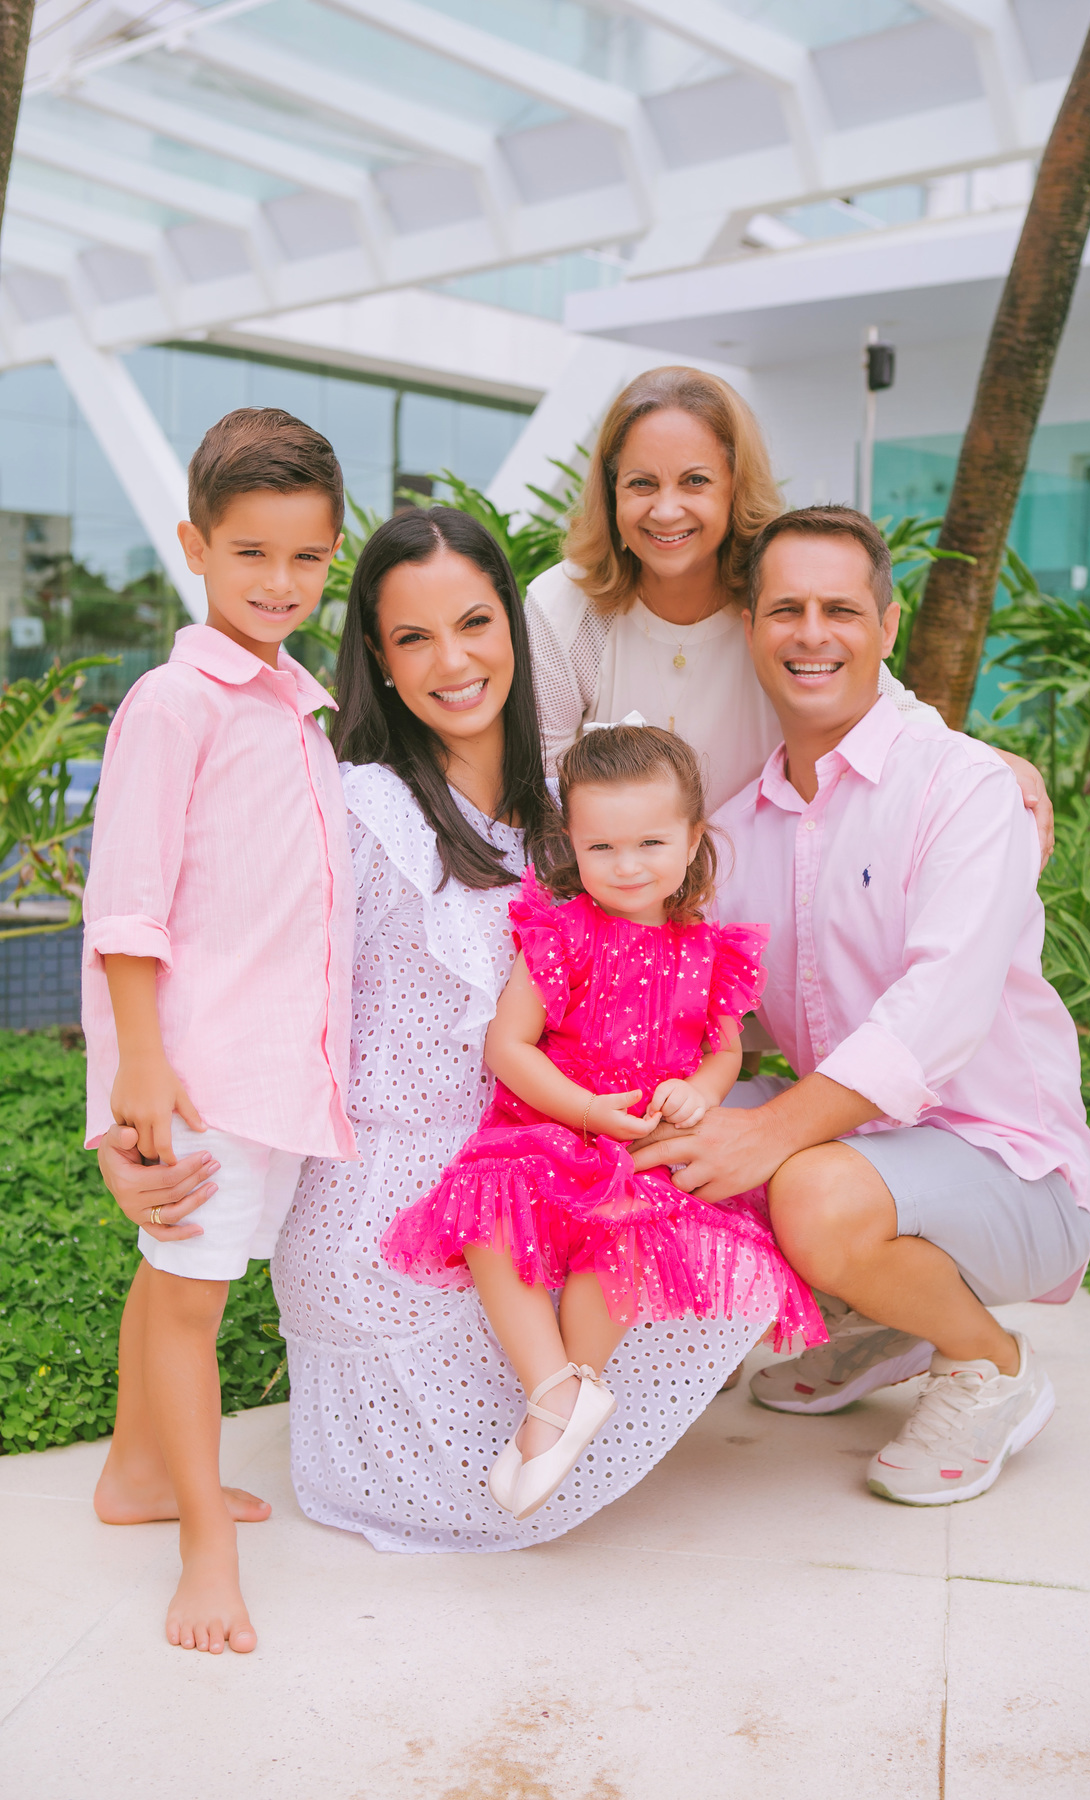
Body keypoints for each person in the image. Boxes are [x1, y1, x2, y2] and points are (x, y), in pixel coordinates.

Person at [101, 508, 774, 1554]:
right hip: (390, 1190)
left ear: (513, 625)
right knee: (473, 1487)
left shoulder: (576, 804)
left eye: (473, 623)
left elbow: (687, 899)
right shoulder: (352, 808)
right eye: (413, 638)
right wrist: (135, 1123)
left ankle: (565, 1385)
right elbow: (214, 956)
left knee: (725, 1221)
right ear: (377, 656)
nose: (453, 663)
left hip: (546, 1146)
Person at [631, 505, 1090, 1506]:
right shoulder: (734, 834)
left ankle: (992, 1365)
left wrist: (767, 1140)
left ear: (887, 629)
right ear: (750, 628)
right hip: (863, 1149)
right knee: (652, 1143)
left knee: (810, 1192)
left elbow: (937, 1015)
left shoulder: (964, 788)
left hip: (1010, 1167)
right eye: (786, 610)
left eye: (840, 610)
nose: (812, 634)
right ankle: (889, 1316)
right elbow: (700, 1012)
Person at [380, 723, 824, 1522]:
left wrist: (699, 1092)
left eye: (651, 843)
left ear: (693, 839)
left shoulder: (707, 949)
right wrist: (584, 1109)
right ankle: (552, 1390)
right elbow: (508, 1045)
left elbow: (724, 1052)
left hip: (644, 1144)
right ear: (572, 845)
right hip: (549, 1130)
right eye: (603, 848)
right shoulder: (565, 932)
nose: (627, 866)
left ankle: (571, 1394)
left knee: (626, 1236)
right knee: (489, 1216)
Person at [83, 409, 356, 1652]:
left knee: (175, 1277)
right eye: (251, 553)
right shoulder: (173, 701)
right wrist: (141, 1064)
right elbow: (127, 903)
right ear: (196, 547)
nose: (280, 582)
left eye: (307, 557)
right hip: (200, 1070)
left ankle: (136, 1473)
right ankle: (204, 1548)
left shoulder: (298, 705)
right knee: (194, 1303)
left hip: (273, 1065)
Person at [526, 363, 1054, 854]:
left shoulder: (778, 596)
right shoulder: (564, 607)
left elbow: (883, 705)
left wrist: (979, 761)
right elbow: (543, 791)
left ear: (735, 488)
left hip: (767, 889)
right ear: (611, 492)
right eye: (641, 483)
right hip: (610, 897)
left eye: (695, 481)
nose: (666, 510)